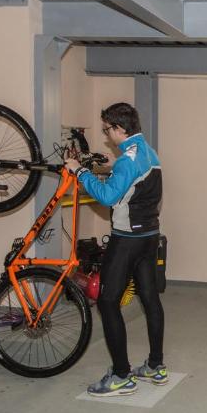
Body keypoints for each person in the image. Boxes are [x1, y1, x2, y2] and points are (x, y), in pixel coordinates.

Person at [64, 103, 167, 397]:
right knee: (149, 299)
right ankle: (155, 366)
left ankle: (121, 375)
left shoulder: (127, 161)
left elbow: (108, 197)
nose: (107, 134)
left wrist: (81, 172)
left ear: (120, 128)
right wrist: (111, 165)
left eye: (108, 129)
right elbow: (136, 178)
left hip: (126, 241)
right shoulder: (147, 151)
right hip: (149, 236)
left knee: (108, 303)